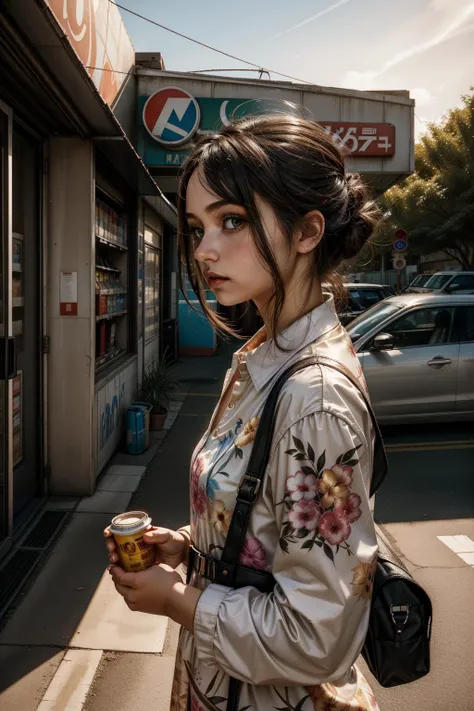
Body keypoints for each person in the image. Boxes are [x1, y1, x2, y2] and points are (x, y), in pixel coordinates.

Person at [105, 113, 381, 711]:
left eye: (231, 220)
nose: (204, 249)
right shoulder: (263, 356)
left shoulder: (314, 399)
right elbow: (267, 530)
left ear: (308, 231)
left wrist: (179, 601)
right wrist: (189, 545)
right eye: (198, 225)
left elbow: (319, 637)